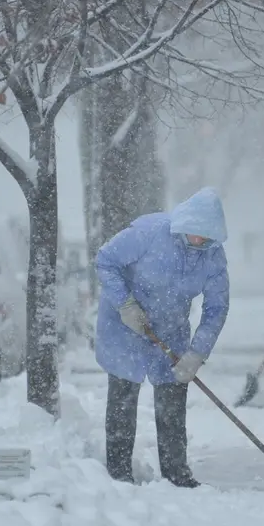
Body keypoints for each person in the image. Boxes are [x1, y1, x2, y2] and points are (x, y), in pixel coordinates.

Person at [95, 187, 230, 488]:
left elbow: (216, 308)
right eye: (195, 234)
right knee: (123, 398)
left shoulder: (213, 258)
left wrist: (196, 353)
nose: (200, 242)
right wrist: (125, 304)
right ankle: (118, 474)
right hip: (124, 327)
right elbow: (105, 261)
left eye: (206, 237)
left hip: (169, 332)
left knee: (172, 398)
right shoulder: (149, 233)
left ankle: (176, 472)